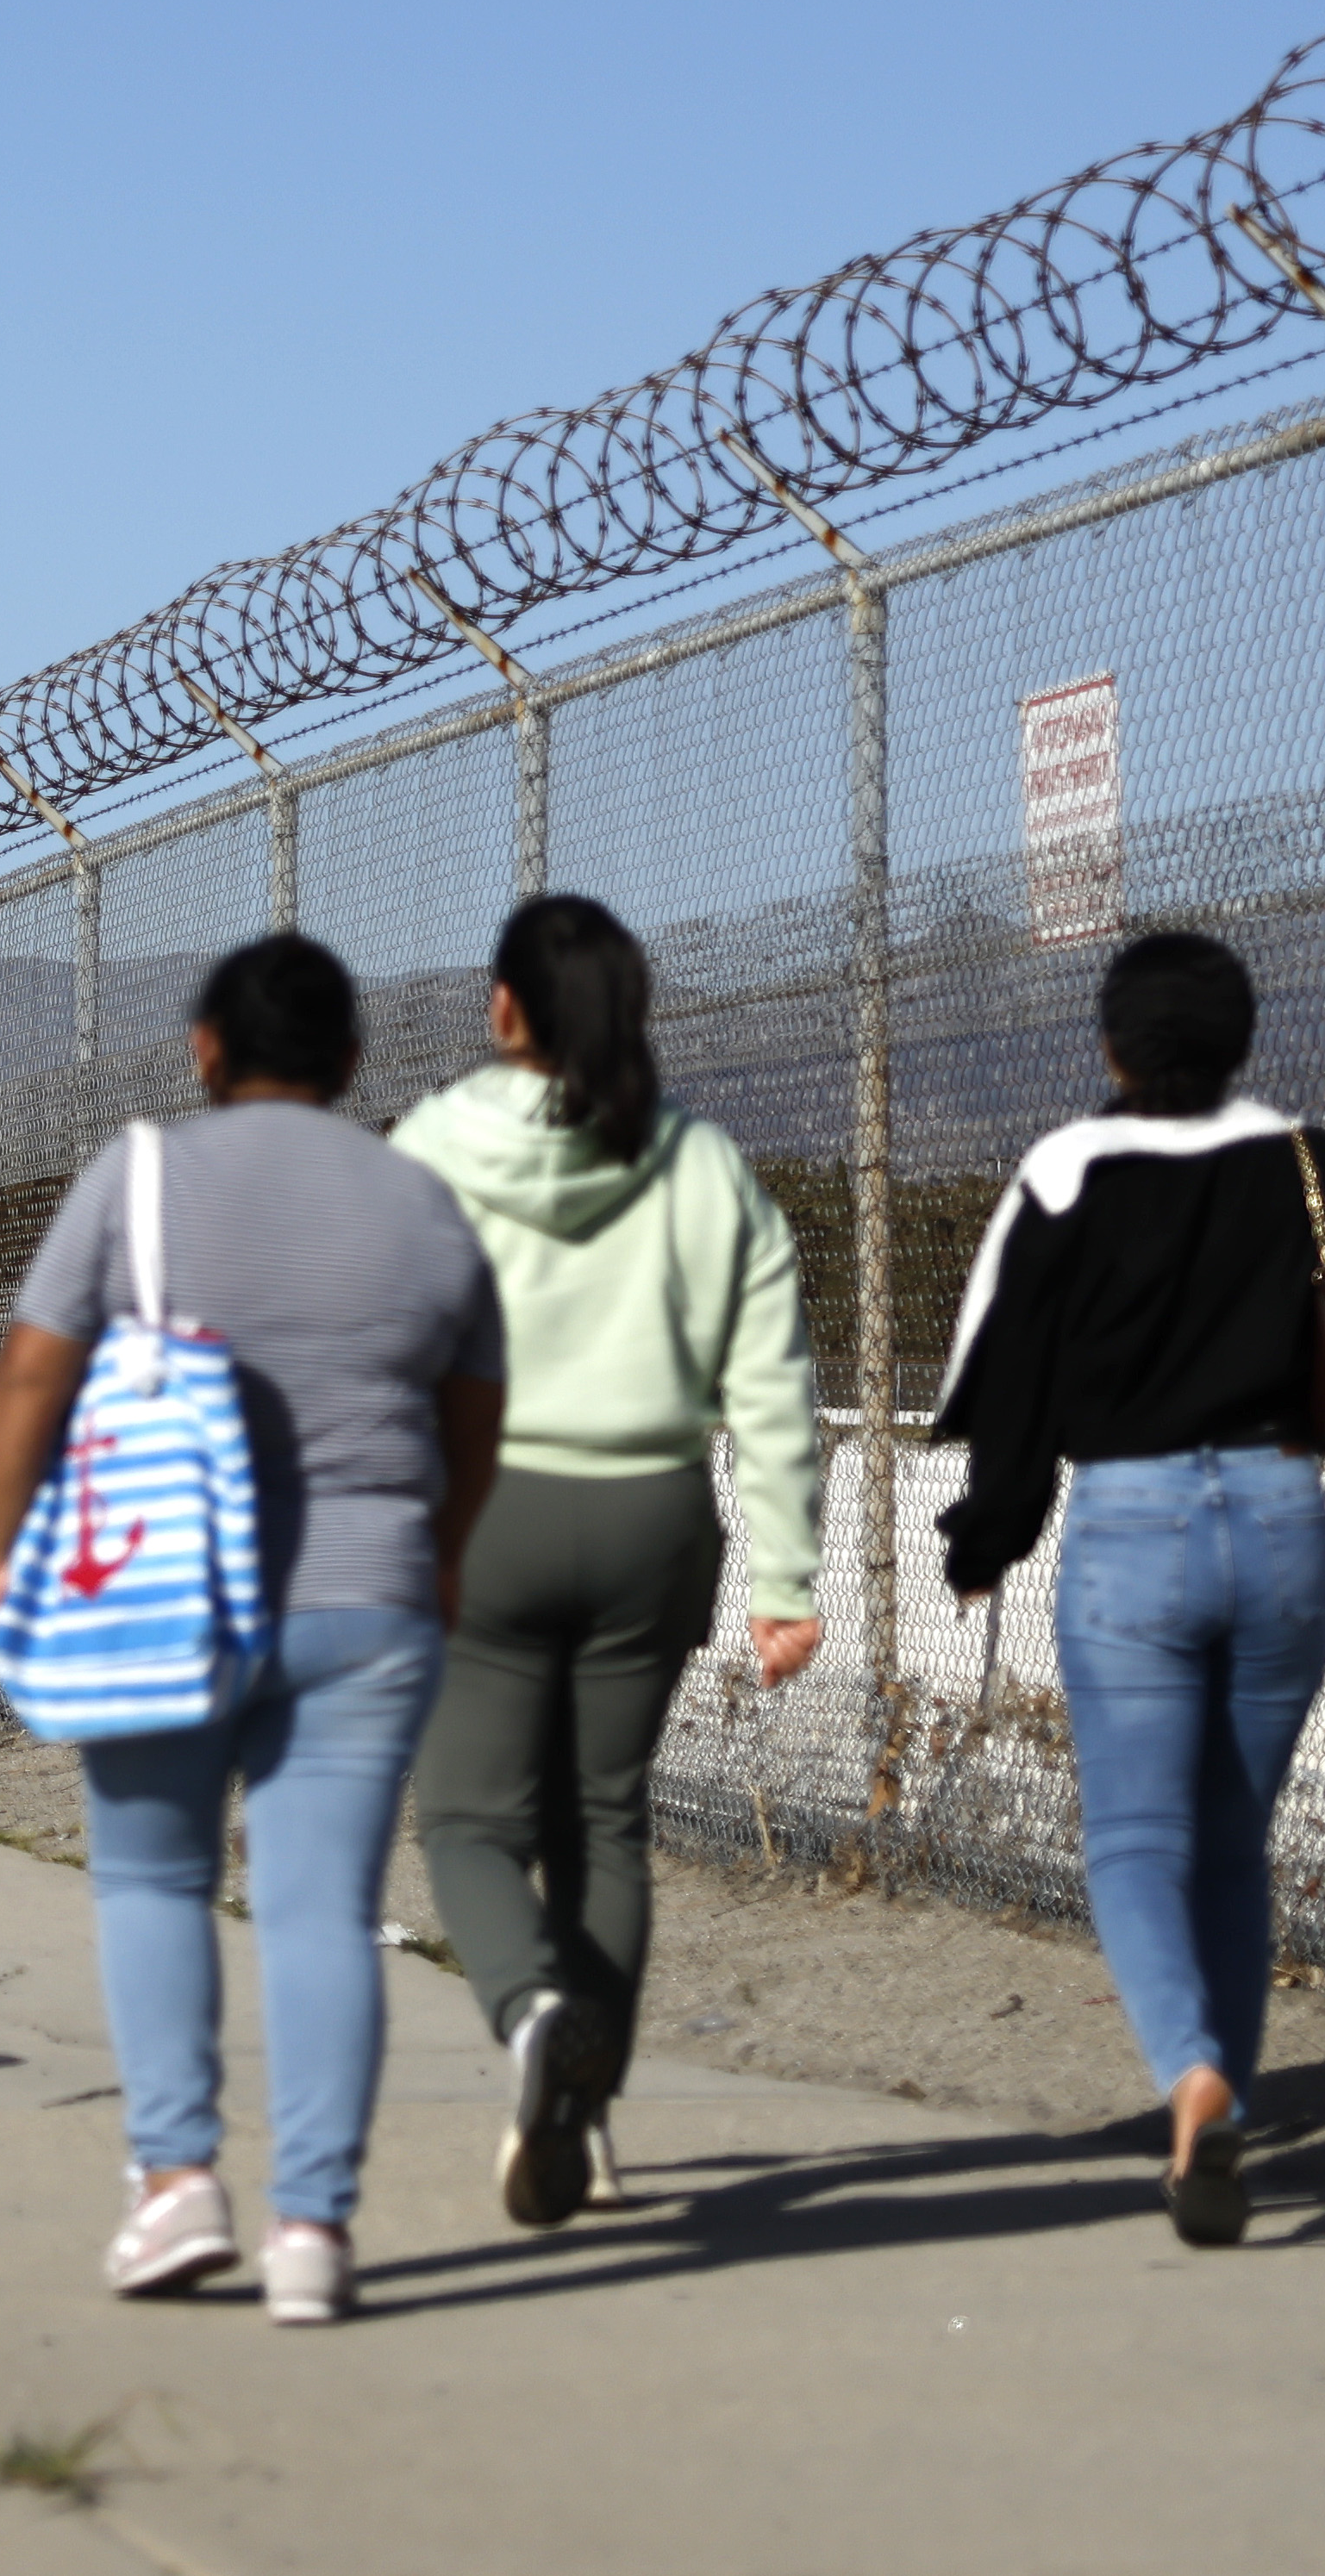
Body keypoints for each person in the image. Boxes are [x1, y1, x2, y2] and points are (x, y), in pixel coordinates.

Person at [0, 934, 506, 2325]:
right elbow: (472, 1407)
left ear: (205, 1048)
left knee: (150, 1880)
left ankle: (174, 2187)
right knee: (321, 1907)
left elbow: (29, 1376)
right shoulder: (420, 1200)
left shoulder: (138, 1178)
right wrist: (438, 1554)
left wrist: (4, 1551)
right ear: (347, 1063)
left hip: (159, 1591)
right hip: (368, 1590)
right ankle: (315, 2229)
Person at [934, 928, 1325, 2246]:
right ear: (1240, 1037)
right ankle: (1223, 2102)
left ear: (1110, 1043)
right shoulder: (1306, 1158)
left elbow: (1005, 1381)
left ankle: (1191, 2079)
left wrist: (987, 1538)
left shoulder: (1066, 1168)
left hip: (1130, 1522)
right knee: (1232, 1840)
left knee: (1135, 1838)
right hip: (1280, 1513)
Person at [391, 895, 826, 2229]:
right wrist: (784, 1578)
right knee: (605, 1822)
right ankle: (579, 2108)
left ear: (503, 1008)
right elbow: (768, 1371)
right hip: (654, 1512)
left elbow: (382, 1334)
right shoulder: (698, 1163)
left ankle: (530, 2015)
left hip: (489, 1503)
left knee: (467, 1820)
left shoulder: (437, 1143)